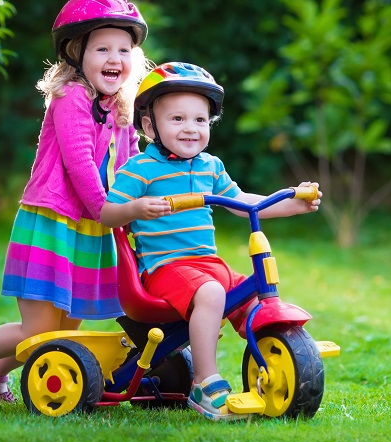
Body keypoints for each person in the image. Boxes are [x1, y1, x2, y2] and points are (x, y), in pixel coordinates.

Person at [0, 0, 153, 402]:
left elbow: (130, 166)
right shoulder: (70, 97)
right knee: (39, 330)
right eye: (103, 48)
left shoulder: (121, 106)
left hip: (94, 227)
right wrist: (110, 210)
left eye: (124, 49)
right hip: (55, 219)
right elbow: (78, 164)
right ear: (77, 52)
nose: (115, 58)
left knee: (63, 332)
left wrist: (136, 210)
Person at [100, 62, 322, 421]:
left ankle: (275, 362)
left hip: (207, 265)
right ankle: (204, 382)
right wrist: (137, 207)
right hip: (165, 269)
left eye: (200, 120)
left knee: (251, 301)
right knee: (213, 293)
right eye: (177, 119)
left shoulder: (211, 166)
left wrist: (292, 205)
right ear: (148, 126)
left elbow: (244, 202)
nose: (191, 128)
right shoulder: (139, 169)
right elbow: (107, 214)